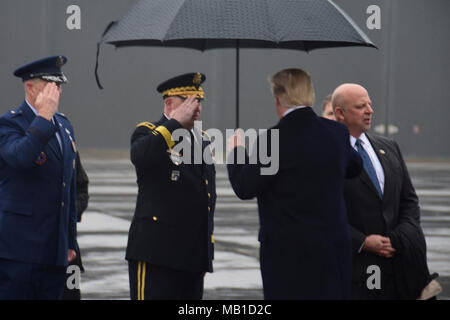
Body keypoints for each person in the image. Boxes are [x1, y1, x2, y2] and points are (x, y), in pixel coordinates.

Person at [227, 68, 362, 299]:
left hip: (288, 257)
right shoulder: (337, 132)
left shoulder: (273, 139)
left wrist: (237, 151)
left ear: (277, 97)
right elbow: (355, 167)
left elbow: (245, 187)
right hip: (332, 251)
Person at [332, 83, 440, 299]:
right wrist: (363, 242)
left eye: (369, 104)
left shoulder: (389, 147)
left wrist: (398, 239)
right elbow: (323, 212)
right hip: (355, 272)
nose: (370, 111)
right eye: (361, 106)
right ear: (340, 113)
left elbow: (409, 202)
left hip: (398, 268)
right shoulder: (327, 154)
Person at [126, 72, 216, 300]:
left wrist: (206, 250)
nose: (196, 107)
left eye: (199, 101)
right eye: (188, 101)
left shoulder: (203, 138)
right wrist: (175, 124)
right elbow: (142, 156)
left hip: (192, 256)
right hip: (157, 253)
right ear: (169, 103)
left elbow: (207, 196)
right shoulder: (148, 131)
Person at [0, 55, 78, 299]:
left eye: (59, 86)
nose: (57, 92)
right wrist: (43, 117)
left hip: (54, 251)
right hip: (18, 250)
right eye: (50, 85)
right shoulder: (9, 123)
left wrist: (70, 241)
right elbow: (21, 158)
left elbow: (69, 189)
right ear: (30, 87)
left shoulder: (64, 126)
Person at [62, 151, 89, 300]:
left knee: (72, 293)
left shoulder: (68, 145)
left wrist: (69, 213)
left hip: (68, 248)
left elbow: (82, 189)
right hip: (29, 250)